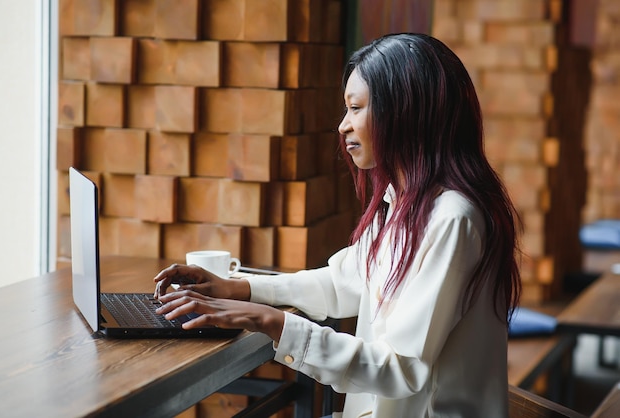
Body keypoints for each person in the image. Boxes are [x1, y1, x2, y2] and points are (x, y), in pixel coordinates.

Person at [154, 33, 522, 418]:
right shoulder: (404, 204)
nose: (343, 126)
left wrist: (269, 321)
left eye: (356, 108)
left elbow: (401, 369)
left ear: (405, 112)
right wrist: (242, 288)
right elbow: (341, 281)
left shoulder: (453, 219)